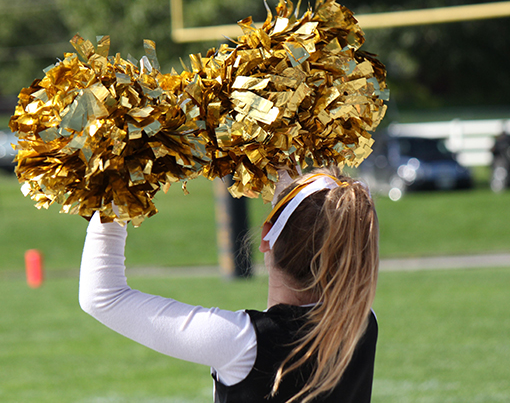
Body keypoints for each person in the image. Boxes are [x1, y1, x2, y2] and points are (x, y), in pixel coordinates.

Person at [79, 166, 379, 402]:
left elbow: (102, 297)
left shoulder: (242, 344)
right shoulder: (361, 321)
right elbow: (313, 221)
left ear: (265, 238)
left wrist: (120, 185)